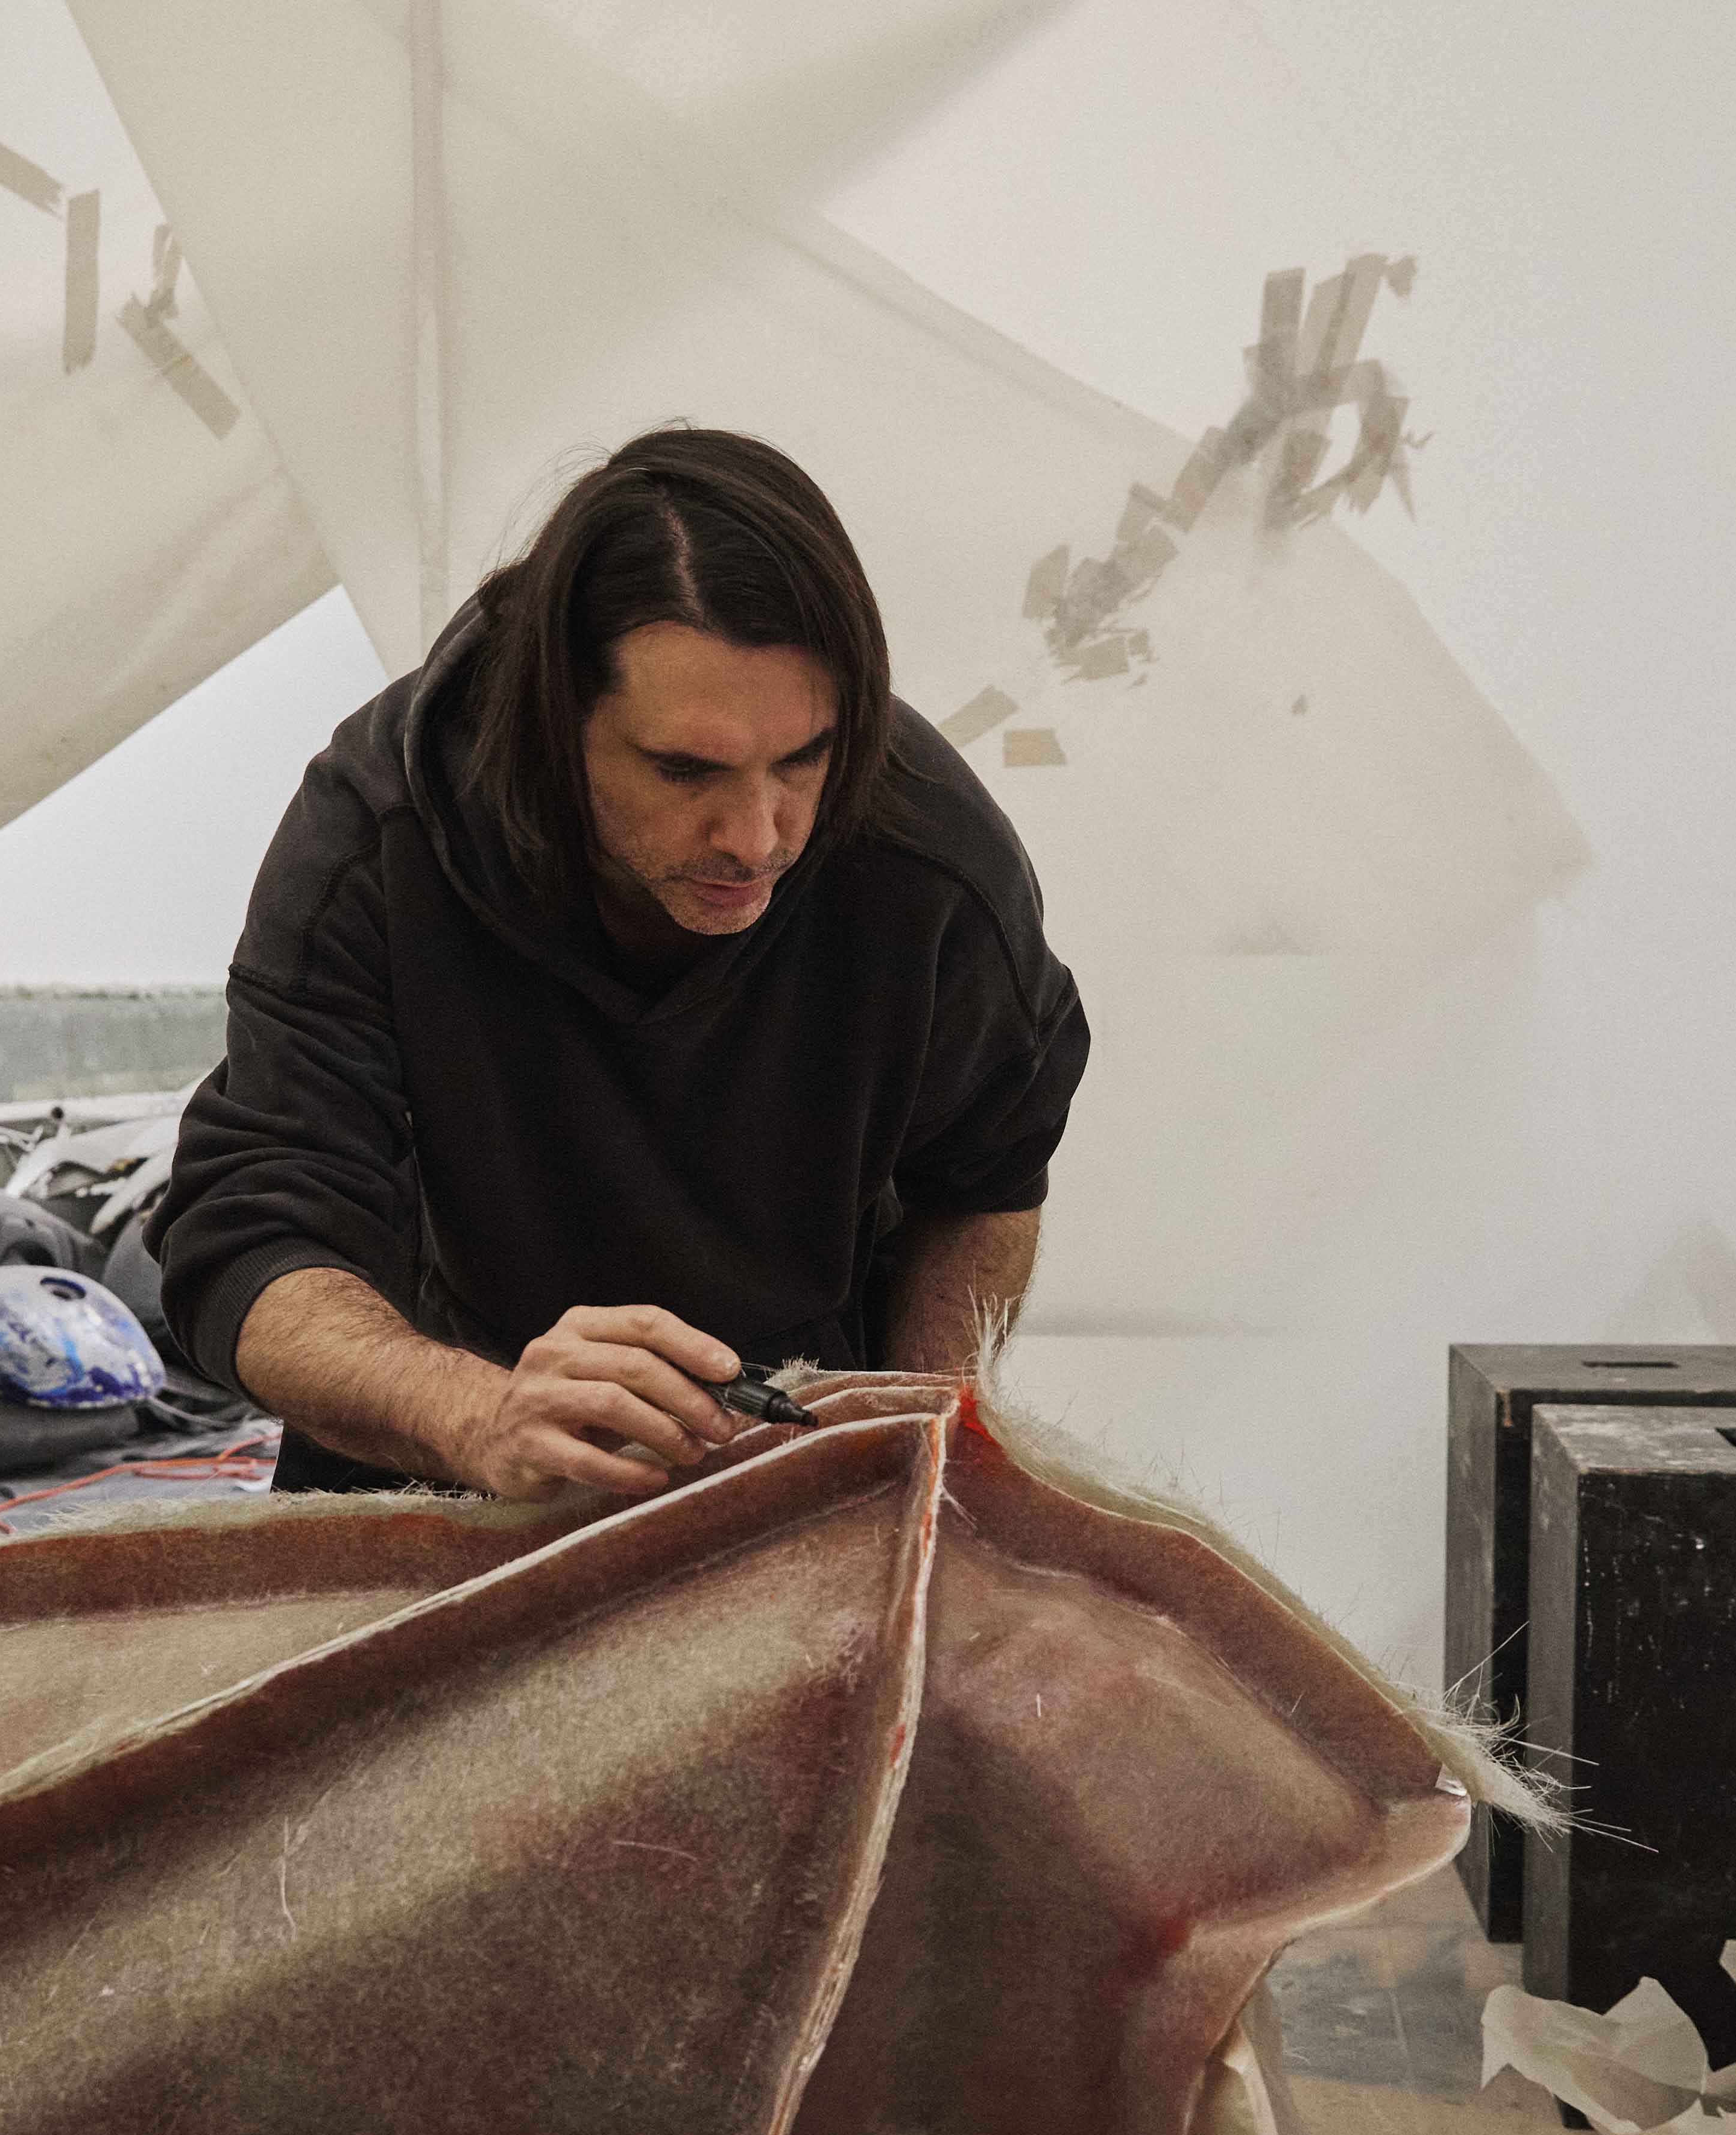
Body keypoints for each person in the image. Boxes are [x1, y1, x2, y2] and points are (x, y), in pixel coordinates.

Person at [150, 428, 1089, 1500]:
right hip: (442, 1430)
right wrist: (475, 1415)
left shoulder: (932, 856)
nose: (758, 837)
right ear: (556, 721)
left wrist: (910, 1451)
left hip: (795, 1434)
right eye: (685, 770)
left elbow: (987, 1179)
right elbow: (255, 1231)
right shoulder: (378, 835)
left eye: (803, 759)